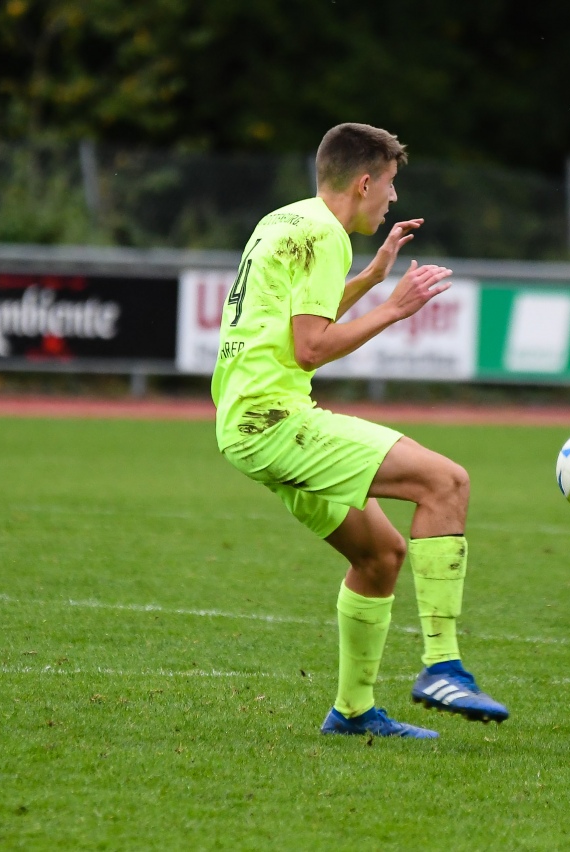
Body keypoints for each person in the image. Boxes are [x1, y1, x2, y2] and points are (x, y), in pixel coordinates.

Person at [211, 122, 508, 739]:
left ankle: (352, 711)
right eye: (391, 183)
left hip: (244, 421)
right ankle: (443, 666)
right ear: (365, 182)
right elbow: (310, 348)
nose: (394, 198)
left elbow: (302, 322)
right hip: (274, 420)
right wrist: (394, 308)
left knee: (380, 556)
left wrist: (373, 279)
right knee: (446, 483)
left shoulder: (287, 220)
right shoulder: (324, 234)